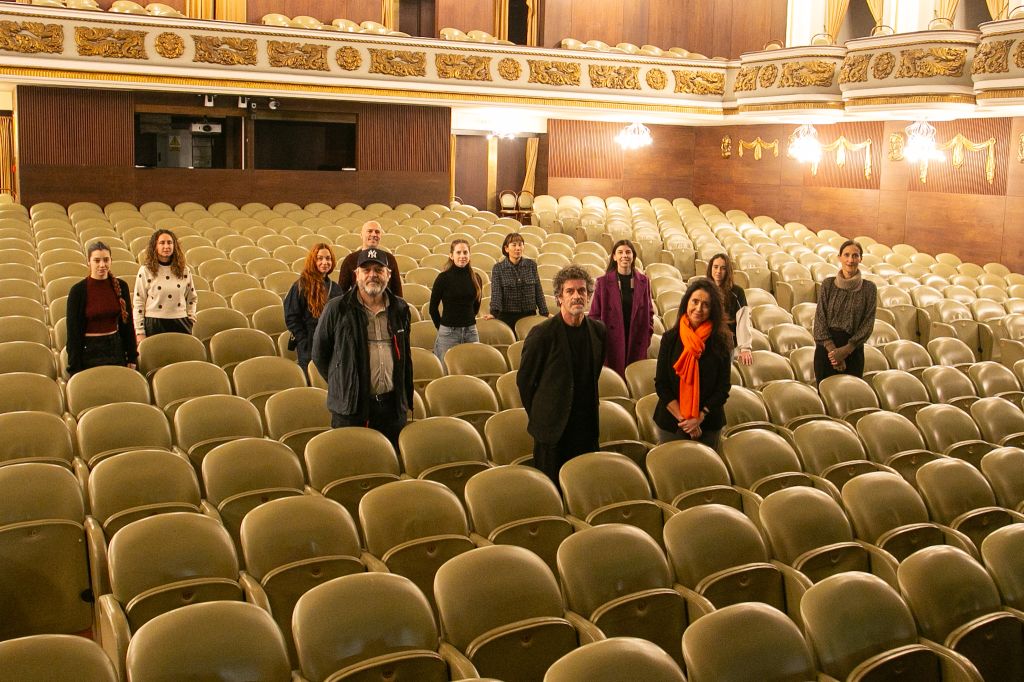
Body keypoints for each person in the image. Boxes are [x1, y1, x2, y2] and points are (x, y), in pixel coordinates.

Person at [312, 247, 413, 451]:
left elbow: (405, 357)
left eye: (378, 270)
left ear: (389, 274)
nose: (372, 275)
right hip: (352, 409)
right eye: (366, 270)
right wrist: (344, 381)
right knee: (355, 465)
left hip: (392, 409)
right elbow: (319, 354)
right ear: (356, 274)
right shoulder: (336, 309)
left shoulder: (400, 308)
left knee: (390, 467)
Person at [517, 264, 606, 485]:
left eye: (582, 291)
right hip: (552, 430)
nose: (577, 296)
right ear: (559, 298)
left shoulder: (598, 331)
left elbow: (593, 374)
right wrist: (542, 415)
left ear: (589, 295)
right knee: (552, 491)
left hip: (586, 427)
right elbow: (525, 382)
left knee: (584, 488)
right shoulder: (542, 334)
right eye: (570, 291)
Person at [653, 278, 732, 449]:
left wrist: (699, 417)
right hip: (672, 422)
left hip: (709, 423)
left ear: (713, 310)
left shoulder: (722, 341)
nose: (699, 308)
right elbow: (661, 384)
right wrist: (685, 419)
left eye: (706, 304)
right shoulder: (670, 338)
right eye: (695, 301)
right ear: (686, 302)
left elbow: (723, 387)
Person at [66, 241, 137, 376]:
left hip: (116, 349)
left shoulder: (121, 286)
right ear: (89, 262)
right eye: (97, 260)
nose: (102, 265)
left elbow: (127, 325)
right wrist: (74, 367)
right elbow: (73, 334)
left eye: (106, 260)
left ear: (111, 260)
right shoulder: (78, 291)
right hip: (89, 352)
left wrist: (132, 356)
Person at [813, 239, 877, 384]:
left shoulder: (869, 289)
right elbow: (820, 320)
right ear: (839, 257)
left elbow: (868, 324)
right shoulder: (828, 284)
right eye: (846, 255)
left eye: (855, 255)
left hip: (853, 352)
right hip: (826, 351)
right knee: (826, 398)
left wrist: (845, 351)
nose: (850, 260)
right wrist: (834, 354)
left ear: (861, 258)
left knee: (851, 400)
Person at [588, 239, 654, 377]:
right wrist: (601, 340)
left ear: (633, 256)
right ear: (614, 257)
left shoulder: (644, 281)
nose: (624, 255)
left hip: (636, 337)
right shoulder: (602, 282)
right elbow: (594, 315)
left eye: (628, 252)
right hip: (612, 339)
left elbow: (649, 312)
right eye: (620, 252)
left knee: (635, 378)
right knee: (616, 378)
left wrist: (647, 334)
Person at [284, 242, 344, 375]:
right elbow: (292, 316)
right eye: (320, 258)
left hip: (332, 345)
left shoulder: (335, 288)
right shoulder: (301, 285)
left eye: (328, 258)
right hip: (309, 345)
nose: (324, 262)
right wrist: (303, 340)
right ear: (313, 261)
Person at [132, 229, 197, 343]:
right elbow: (139, 302)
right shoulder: (145, 270)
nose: (166, 246)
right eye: (162, 243)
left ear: (174, 246)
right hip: (154, 324)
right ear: (155, 246)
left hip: (180, 322)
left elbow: (192, 297)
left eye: (169, 242)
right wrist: (140, 331)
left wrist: (190, 318)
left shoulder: (185, 270)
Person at [429, 239, 483, 369]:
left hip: (471, 331)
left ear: (469, 255)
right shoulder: (443, 278)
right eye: (458, 252)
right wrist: (442, 328)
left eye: (465, 252)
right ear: (451, 255)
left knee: (472, 369)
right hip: (448, 333)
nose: (462, 256)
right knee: (447, 371)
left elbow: (475, 307)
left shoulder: (476, 278)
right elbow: (433, 309)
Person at [487, 232, 548, 332]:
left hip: (529, 315)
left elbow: (538, 290)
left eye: (520, 245)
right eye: (514, 245)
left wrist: (544, 312)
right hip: (507, 317)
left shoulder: (531, 265)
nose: (518, 248)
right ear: (506, 248)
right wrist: (493, 313)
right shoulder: (498, 268)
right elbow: (496, 293)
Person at [707, 253, 753, 366]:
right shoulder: (703, 288)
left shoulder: (737, 292)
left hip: (726, 345)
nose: (718, 271)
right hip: (704, 341)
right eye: (715, 267)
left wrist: (745, 347)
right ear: (710, 268)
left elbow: (743, 320)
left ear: (728, 271)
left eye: (723, 268)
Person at [335, 220, 403, 297]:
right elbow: (341, 291)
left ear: (381, 236)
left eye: (377, 232)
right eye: (369, 231)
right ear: (361, 235)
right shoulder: (350, 259)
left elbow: (397, 291)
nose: (374, 234)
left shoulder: (390, 259)